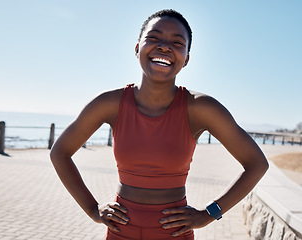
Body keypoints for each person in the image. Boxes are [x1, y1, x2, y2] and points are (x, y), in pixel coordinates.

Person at [50, 9, 269, 240]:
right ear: (137, 48)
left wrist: (208, 214)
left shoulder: (201, 108)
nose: (164, 47)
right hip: (120, 230)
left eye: (177, 42)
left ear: (186, 58)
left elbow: (257, 164)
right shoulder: (109, 103)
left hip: (175, 233)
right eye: (153, 38)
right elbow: (60, 152)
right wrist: (93, 210)